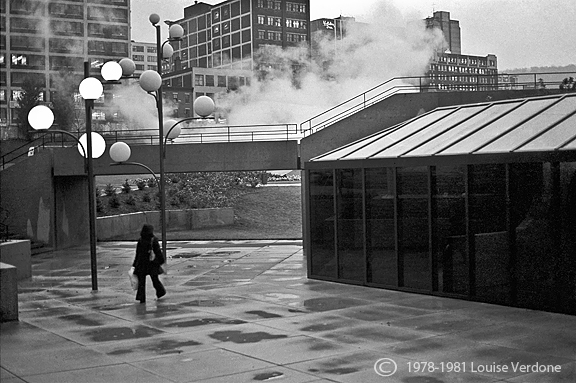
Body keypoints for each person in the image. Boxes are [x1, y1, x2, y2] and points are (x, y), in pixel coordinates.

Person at [132, 224, 166, 303]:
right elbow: (158, 252)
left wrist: (134, 264)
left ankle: (141, 297)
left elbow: (138, 254)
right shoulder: (153, 240)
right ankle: (160, 291)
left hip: (142, 264)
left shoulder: (140, 240)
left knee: (141, 282)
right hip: (152, 263)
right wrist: (161, 261)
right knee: (155, 279)